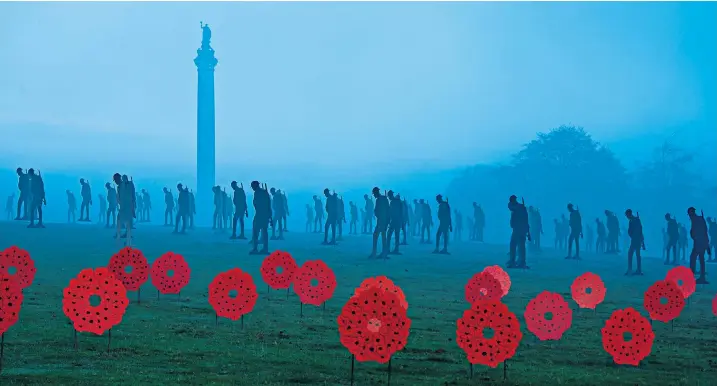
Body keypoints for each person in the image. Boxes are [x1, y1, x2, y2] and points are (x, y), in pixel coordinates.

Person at [687, 207, 709, 284]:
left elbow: (704, 231)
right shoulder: (697, 219)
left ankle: (694, 276)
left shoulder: (696, 220)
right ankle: (701, 277)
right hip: (700, 241)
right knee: (700, 258)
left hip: (699, 241)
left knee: (694, 258)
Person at [507, 195, 529, 268]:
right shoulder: (519, 207)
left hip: (519, 229)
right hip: (519, 229)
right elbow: (510, 206)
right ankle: (519, 261)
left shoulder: (519, 208)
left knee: (517, 245)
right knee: (518, 245)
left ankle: (519, 261)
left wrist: (528, 232)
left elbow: (526, 220)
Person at [250, 181, 271, 254]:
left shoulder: (258, 193)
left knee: (256, 232)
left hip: (260, 214)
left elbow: (258, 204)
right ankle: (265, 249)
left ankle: (255, 248)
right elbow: (268, 204)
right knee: (264, 232)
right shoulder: (264, 192)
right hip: (264, 214)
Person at [369, 187, 389, 259]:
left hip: (381, 221)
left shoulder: (379, 200)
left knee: (376, 236)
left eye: (374, 193)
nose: (374, 195)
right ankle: (384, 253)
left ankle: (375, 253)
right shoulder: (384, 199)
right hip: (384, 221)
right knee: (383, 237)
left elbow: (377, 211)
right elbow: (388, 210)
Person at [624, 209, 644, 276]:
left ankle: (632, 270)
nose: (627, 217)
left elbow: (640, 231)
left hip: (636, 239)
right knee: (637, 255)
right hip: (636, 239)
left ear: (629, 214)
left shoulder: (634, 220)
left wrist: (641, 241)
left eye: (627, 215)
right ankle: (638, 270)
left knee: (631, 254)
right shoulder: (634, 220)